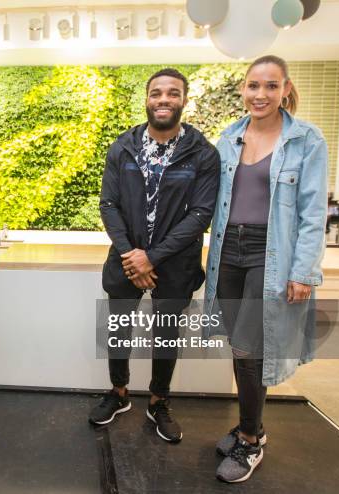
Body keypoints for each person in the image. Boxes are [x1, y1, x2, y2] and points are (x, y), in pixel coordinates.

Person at [204, 55, 327, 483]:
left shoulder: (306, 139)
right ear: (243, 88)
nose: (261, 94)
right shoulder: (229, 137)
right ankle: (247, 425)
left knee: (252, 348)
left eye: (271, 86)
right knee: (240, 346)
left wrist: (303, 271)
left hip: (268, 252)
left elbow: (314, 213)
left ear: (285, 88)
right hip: (227, 251)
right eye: (253, 85)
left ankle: (251, 440)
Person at [89, 68, 220, 443]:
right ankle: (119, 393)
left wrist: (153, 257)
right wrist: (133, 255)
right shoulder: (123, 146)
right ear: (147, 99)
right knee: (118, 330)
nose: (164, 99)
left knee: (165, 333)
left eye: (172, 93)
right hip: (126, 259)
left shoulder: (203, 153)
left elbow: (201, 214)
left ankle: (159, 401)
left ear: (183, 100)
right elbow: (109, 204)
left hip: (175, 264)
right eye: (157, 93)